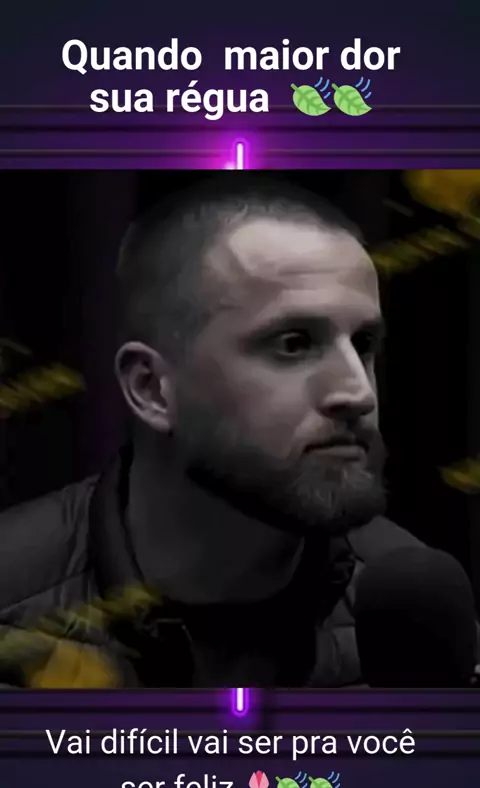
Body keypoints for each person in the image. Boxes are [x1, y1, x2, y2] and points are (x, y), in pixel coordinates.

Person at [0, 173, 452, 688]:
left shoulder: (416, 617)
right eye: (294, 343)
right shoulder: (13, 603)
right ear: (152, 389)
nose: (358, 392)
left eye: (364, 344)